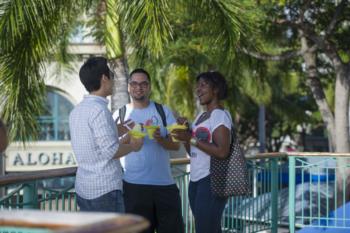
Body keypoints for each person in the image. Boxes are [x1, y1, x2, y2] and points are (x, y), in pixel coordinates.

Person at [113, 68, 184, 233]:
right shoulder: (120, 114)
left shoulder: (163, 111)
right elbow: (113, 149)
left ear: (149, 87)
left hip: (165, 186)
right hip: (134, 187)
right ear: (129, 87)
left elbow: (176, 145)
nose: (139, 87)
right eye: (135, 84)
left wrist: (161, 139)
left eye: (143, 84)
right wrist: (129, 138)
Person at [69, 57, 143, 213]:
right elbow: (111, 151)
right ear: (104, 78)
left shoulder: (77, 110)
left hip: (84, 188)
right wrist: (133, 146)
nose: (113, 79)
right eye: (111, 74)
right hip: (104, 190)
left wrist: (119, 128)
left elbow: (93, 138)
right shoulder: (100, 110)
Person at [172, 71, 232, 233]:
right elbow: (193, 151)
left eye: (203, 85)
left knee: (206, 229)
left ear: (216, 89)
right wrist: (186, 134)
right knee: (206, 228)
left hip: (211, 180)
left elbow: (222, 151)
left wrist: (190, 138)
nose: (198, 89)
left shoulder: (219, 115)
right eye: (197, 86)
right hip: (196, 180)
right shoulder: (201, 116)